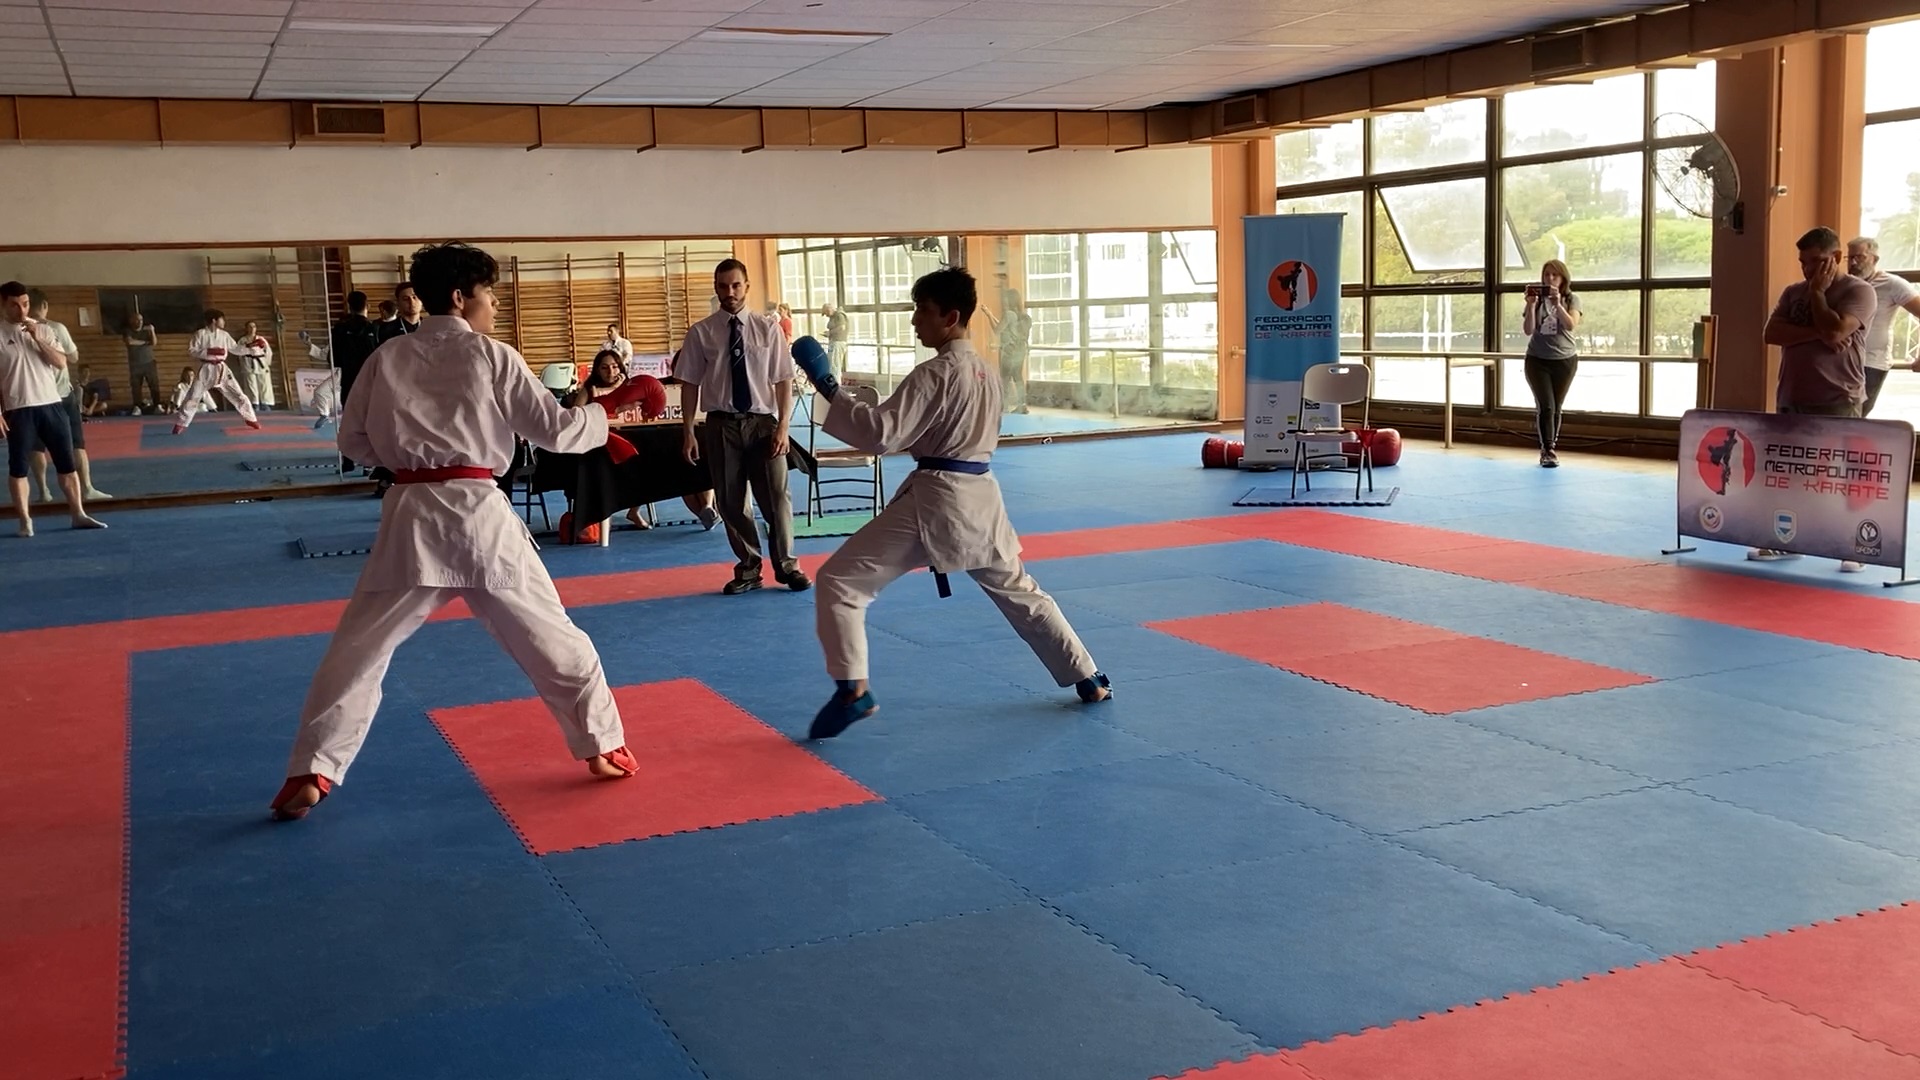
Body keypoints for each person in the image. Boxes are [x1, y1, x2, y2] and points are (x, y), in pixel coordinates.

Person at [269, 242, 664, 822]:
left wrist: (408, 455)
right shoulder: (492, 356)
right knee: (553, 638)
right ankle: (603, 746)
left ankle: (311, 768)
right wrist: (611, 409)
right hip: (480, 518)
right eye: (489, 295)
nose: (495, 306)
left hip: (411, 517)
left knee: (358, 650)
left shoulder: (386, 358)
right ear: (460, 297)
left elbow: (352, 442)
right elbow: (557, 432)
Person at [791, 267, 1111, 740]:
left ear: (951, 317)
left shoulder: (934, 374)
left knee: (840, 581)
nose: (914, 320)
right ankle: (1088, 675)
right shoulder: (988, 374)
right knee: (1020, 591)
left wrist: (830, 389)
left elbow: (881, 434)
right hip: (979, 497)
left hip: (936, 501)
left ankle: (852, 689)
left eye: (922, 311)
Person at [674, 258, 808, 596]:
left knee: (777, 497)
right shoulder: (701, 332)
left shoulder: (767, 329)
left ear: (746, 286)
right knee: (731, 501)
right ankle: (749, 567)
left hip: (763, 424)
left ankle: (787, 565)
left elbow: (783, 380)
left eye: (736, 285)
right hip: (721, 424)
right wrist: (688, 431)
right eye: (723, 286)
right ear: (716, 288)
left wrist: (783, 427)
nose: (730, 292)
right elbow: (689, 384)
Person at [1752, 225, 1879, 571]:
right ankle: (1788, 540)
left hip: (1837, 396)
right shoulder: (1793, 292)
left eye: (1816, 261)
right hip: (1793, 395)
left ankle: (1851, 546)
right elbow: (1771, 333)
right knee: (1791, 476)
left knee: (1840, 476)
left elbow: (1836, 331)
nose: (1808, 269)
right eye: (1803, 262)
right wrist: (1816, 333)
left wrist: (1819, 295)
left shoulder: (1859, 291)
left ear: (1836, 257)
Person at [565, 348, 719, 532]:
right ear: (597, 370)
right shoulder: (590, 390)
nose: (610, 372)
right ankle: (630, 511)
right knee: (645, 465)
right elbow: (576, 416)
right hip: (606, 446)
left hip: (650, 441)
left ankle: (706, 509)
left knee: (689, 461)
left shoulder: (631, 385)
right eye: (605, 368)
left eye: (614, 367)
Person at [0, 281, 106, 536]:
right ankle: (25, 521)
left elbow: (60, 362)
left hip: (52, 405)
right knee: (19, 468)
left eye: (25, 304)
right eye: (14, 305)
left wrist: (37, 337)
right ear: (3, 305)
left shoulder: (45, 330)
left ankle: (78, 514)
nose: (21, 310)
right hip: (19, 408)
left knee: (66, 464)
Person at [26, 292, 110, 502]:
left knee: (36, 446)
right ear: (45, 305)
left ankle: (44, 491)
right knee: (76, 443)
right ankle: (87, 488)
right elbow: (73, 357)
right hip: (61, 395)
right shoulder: (56, 328)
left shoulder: (19, 330)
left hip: (35, 397)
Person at [1846, 236, 1920, 415]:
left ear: (1875, 259)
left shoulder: (1893, 284)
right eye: (1850, 258)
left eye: (1860, 257)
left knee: (1855, 416)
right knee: (1840, 416)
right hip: (1843, 361)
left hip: (1872, 363)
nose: (1854, 263)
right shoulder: (1845, 285)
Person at [1521, 259, 1582, 469]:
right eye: (1547, 274)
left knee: (1556, 406)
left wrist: (1557, 304)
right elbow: (1528, 329)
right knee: (1546, 405)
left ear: (1563, 278)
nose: (1550, 278)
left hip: (1564, 360)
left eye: (1555, 275)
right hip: (1537, 359)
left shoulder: (1572, 299)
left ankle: (1552, 444)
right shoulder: (1537, 300)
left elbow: (1571, 324)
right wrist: (1531, 305)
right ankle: (1547, 449)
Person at [172, 309, 259, 433]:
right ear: (214, 320)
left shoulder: (224, 335)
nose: (224, 322)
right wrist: (208, 352)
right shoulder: (200, 334)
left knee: (238, 394)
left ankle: (250, 418)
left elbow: (235, 348)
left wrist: (250, 350)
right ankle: (181, 423)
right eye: (222, 319)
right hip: (206, 369)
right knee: (193, 396)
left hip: (222, 369)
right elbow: (191, 350)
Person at [331, 291, 381, 472]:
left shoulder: (339, 329)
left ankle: (348, 461)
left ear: (349, 306)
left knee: (350, 420)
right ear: (368, 306)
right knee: (372, 421)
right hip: (372, 381)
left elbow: (334, 358)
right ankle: (369, 463)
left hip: (350, 380)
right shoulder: (375, 328)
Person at [124, 312, 160, 415]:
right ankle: (137, 407)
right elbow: (130, 342)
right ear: (131, 321)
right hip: (135, 364)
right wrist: (145, 342)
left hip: (149, 363)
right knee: (136, 387)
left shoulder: (146, 331)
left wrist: (152, 330)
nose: (139, 322)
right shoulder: (127, 331)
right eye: (137, 320)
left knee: (154, 385)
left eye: (141, 320)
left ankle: (157, 405)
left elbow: (154, 342)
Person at [237, 319, 275, 409]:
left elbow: (268, 351)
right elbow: (239, 352)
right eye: (249, 327)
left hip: (261, 362)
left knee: (264, 383)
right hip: (248, 362)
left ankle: (265, 403)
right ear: (246, 328)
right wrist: (243, 364)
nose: (252, 328)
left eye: (254, 326)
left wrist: (267, 363)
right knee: (251, 384)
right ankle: (254, 403)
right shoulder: (243, 340)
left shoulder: (261, 339)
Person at [823, 300, 848, 374]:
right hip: (834, 342)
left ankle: (835, 380)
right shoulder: (834, 316)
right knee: (833, 364)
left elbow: (842, 327)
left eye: (826, 313)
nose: (826, 315)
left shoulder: (839, 315)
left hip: (838, 342)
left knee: (834, 365)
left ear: (829, 310)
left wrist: (830, 333)